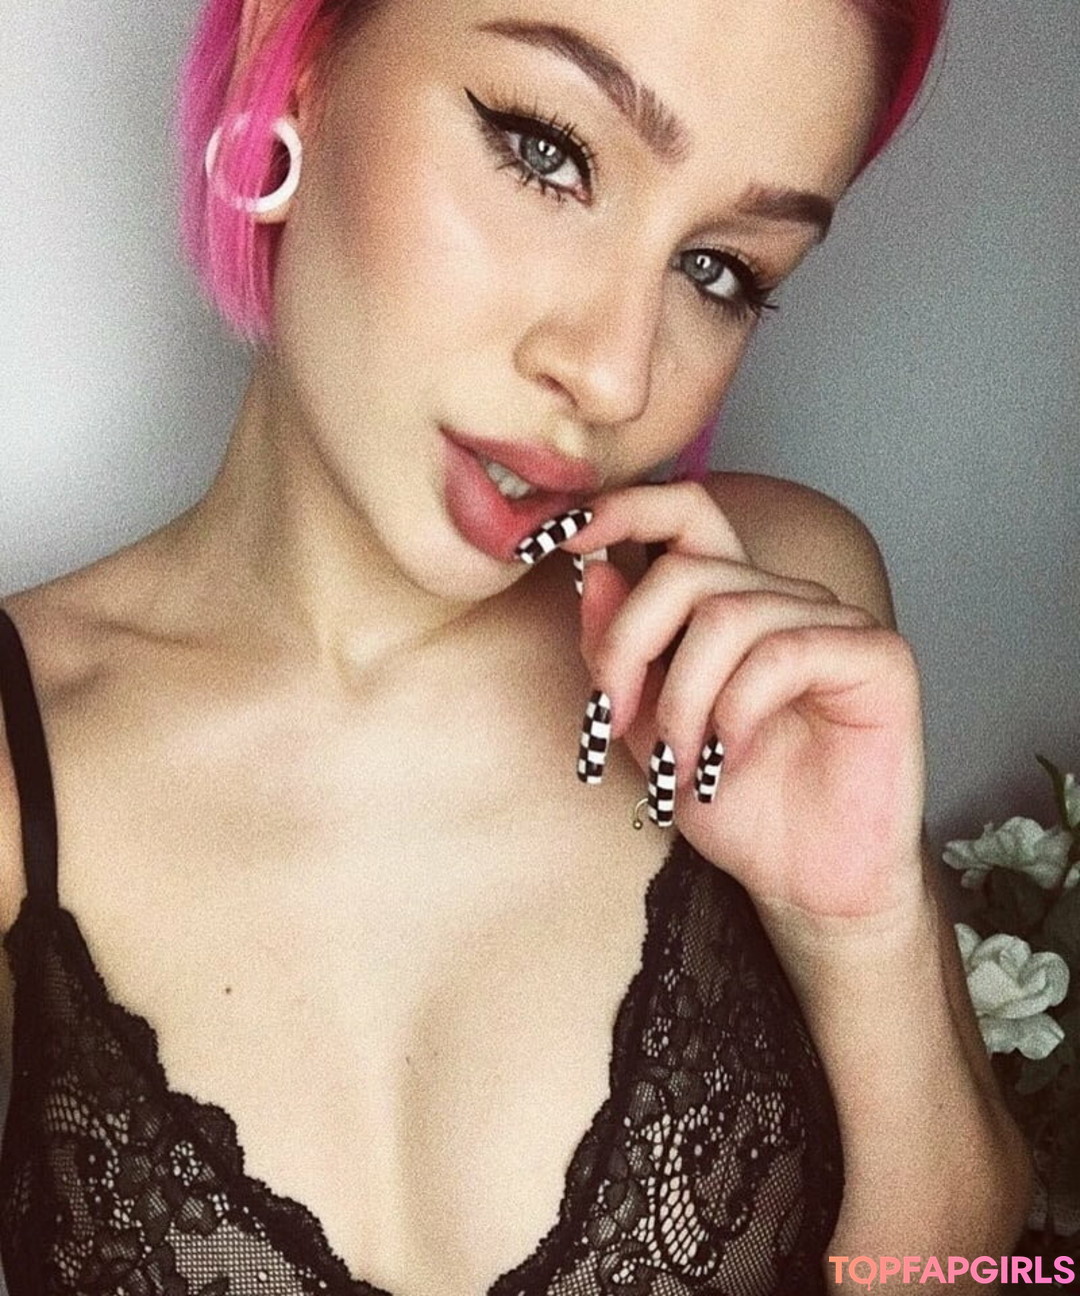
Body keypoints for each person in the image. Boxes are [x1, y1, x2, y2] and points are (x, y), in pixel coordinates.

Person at [0, 0, 1033, 1292]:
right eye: (548, 151)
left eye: (721, 269)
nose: (614, 376)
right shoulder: (20, 773)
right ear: (293, 59)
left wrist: (863, 939)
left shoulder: (770, 622)